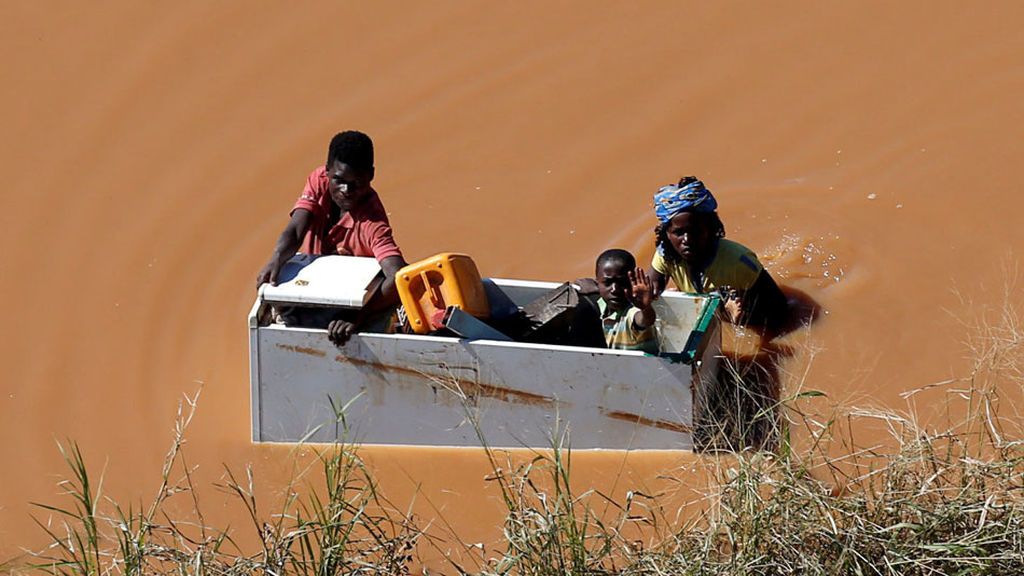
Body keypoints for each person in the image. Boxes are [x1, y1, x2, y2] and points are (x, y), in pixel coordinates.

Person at [256, 131, 407, 346]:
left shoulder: (372, 222)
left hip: (348, 306)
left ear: (371, 176)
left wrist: (356, 316)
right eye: (338, 180)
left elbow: (399, 276)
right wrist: (276, 259)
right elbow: (296, 231)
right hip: (309, 291)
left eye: (356, 182)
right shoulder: (319, 181)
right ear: (327, 172)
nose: (346, 190)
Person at [649, 176, 788, 332]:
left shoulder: (738, 261)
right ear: (666, 234)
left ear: (710, 228)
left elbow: (780, 310)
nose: (687, 240)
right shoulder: (665, 255)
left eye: (695, 231)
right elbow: (648, 297)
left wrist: (740, 318)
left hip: (745, 315)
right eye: (678, 233)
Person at [594, 249, 659, 354]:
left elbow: (645, 320)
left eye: (622, 282)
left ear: (632, 281)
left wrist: (645, 308)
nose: (615, 289)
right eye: (607, 282)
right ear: (597, 282)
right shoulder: (596, 308)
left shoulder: (632, 312)